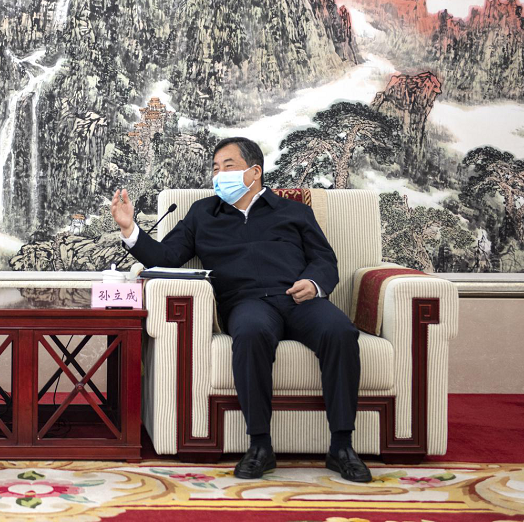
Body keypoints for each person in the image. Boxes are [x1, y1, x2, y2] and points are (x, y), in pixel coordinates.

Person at [110, 136, 372, 483]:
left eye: (228, 166)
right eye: (215, 169)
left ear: (255, 171)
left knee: (340, 331)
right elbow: (165, 257)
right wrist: (129, 228)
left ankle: (341, 446)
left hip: (299, 299)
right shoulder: (203, 213)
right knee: (250, 333)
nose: (219, 175)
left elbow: (324, 259)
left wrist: (313, 283)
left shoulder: (293, 211)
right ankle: (260, 446)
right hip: (246, 303)